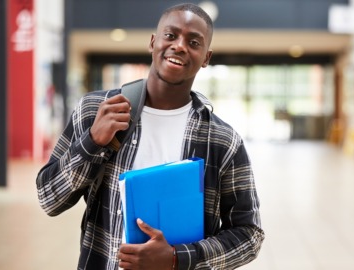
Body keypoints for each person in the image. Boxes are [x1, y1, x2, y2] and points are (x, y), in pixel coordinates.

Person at [36, 3, 264, 270]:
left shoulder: (223, 141)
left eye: (193, 42)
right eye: (171, 35)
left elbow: (249, 236)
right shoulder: (96, 110)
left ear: (206, 58)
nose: (180, 46)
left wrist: (178, 257)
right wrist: (92, 142)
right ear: (153, 42)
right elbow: (49, 198)